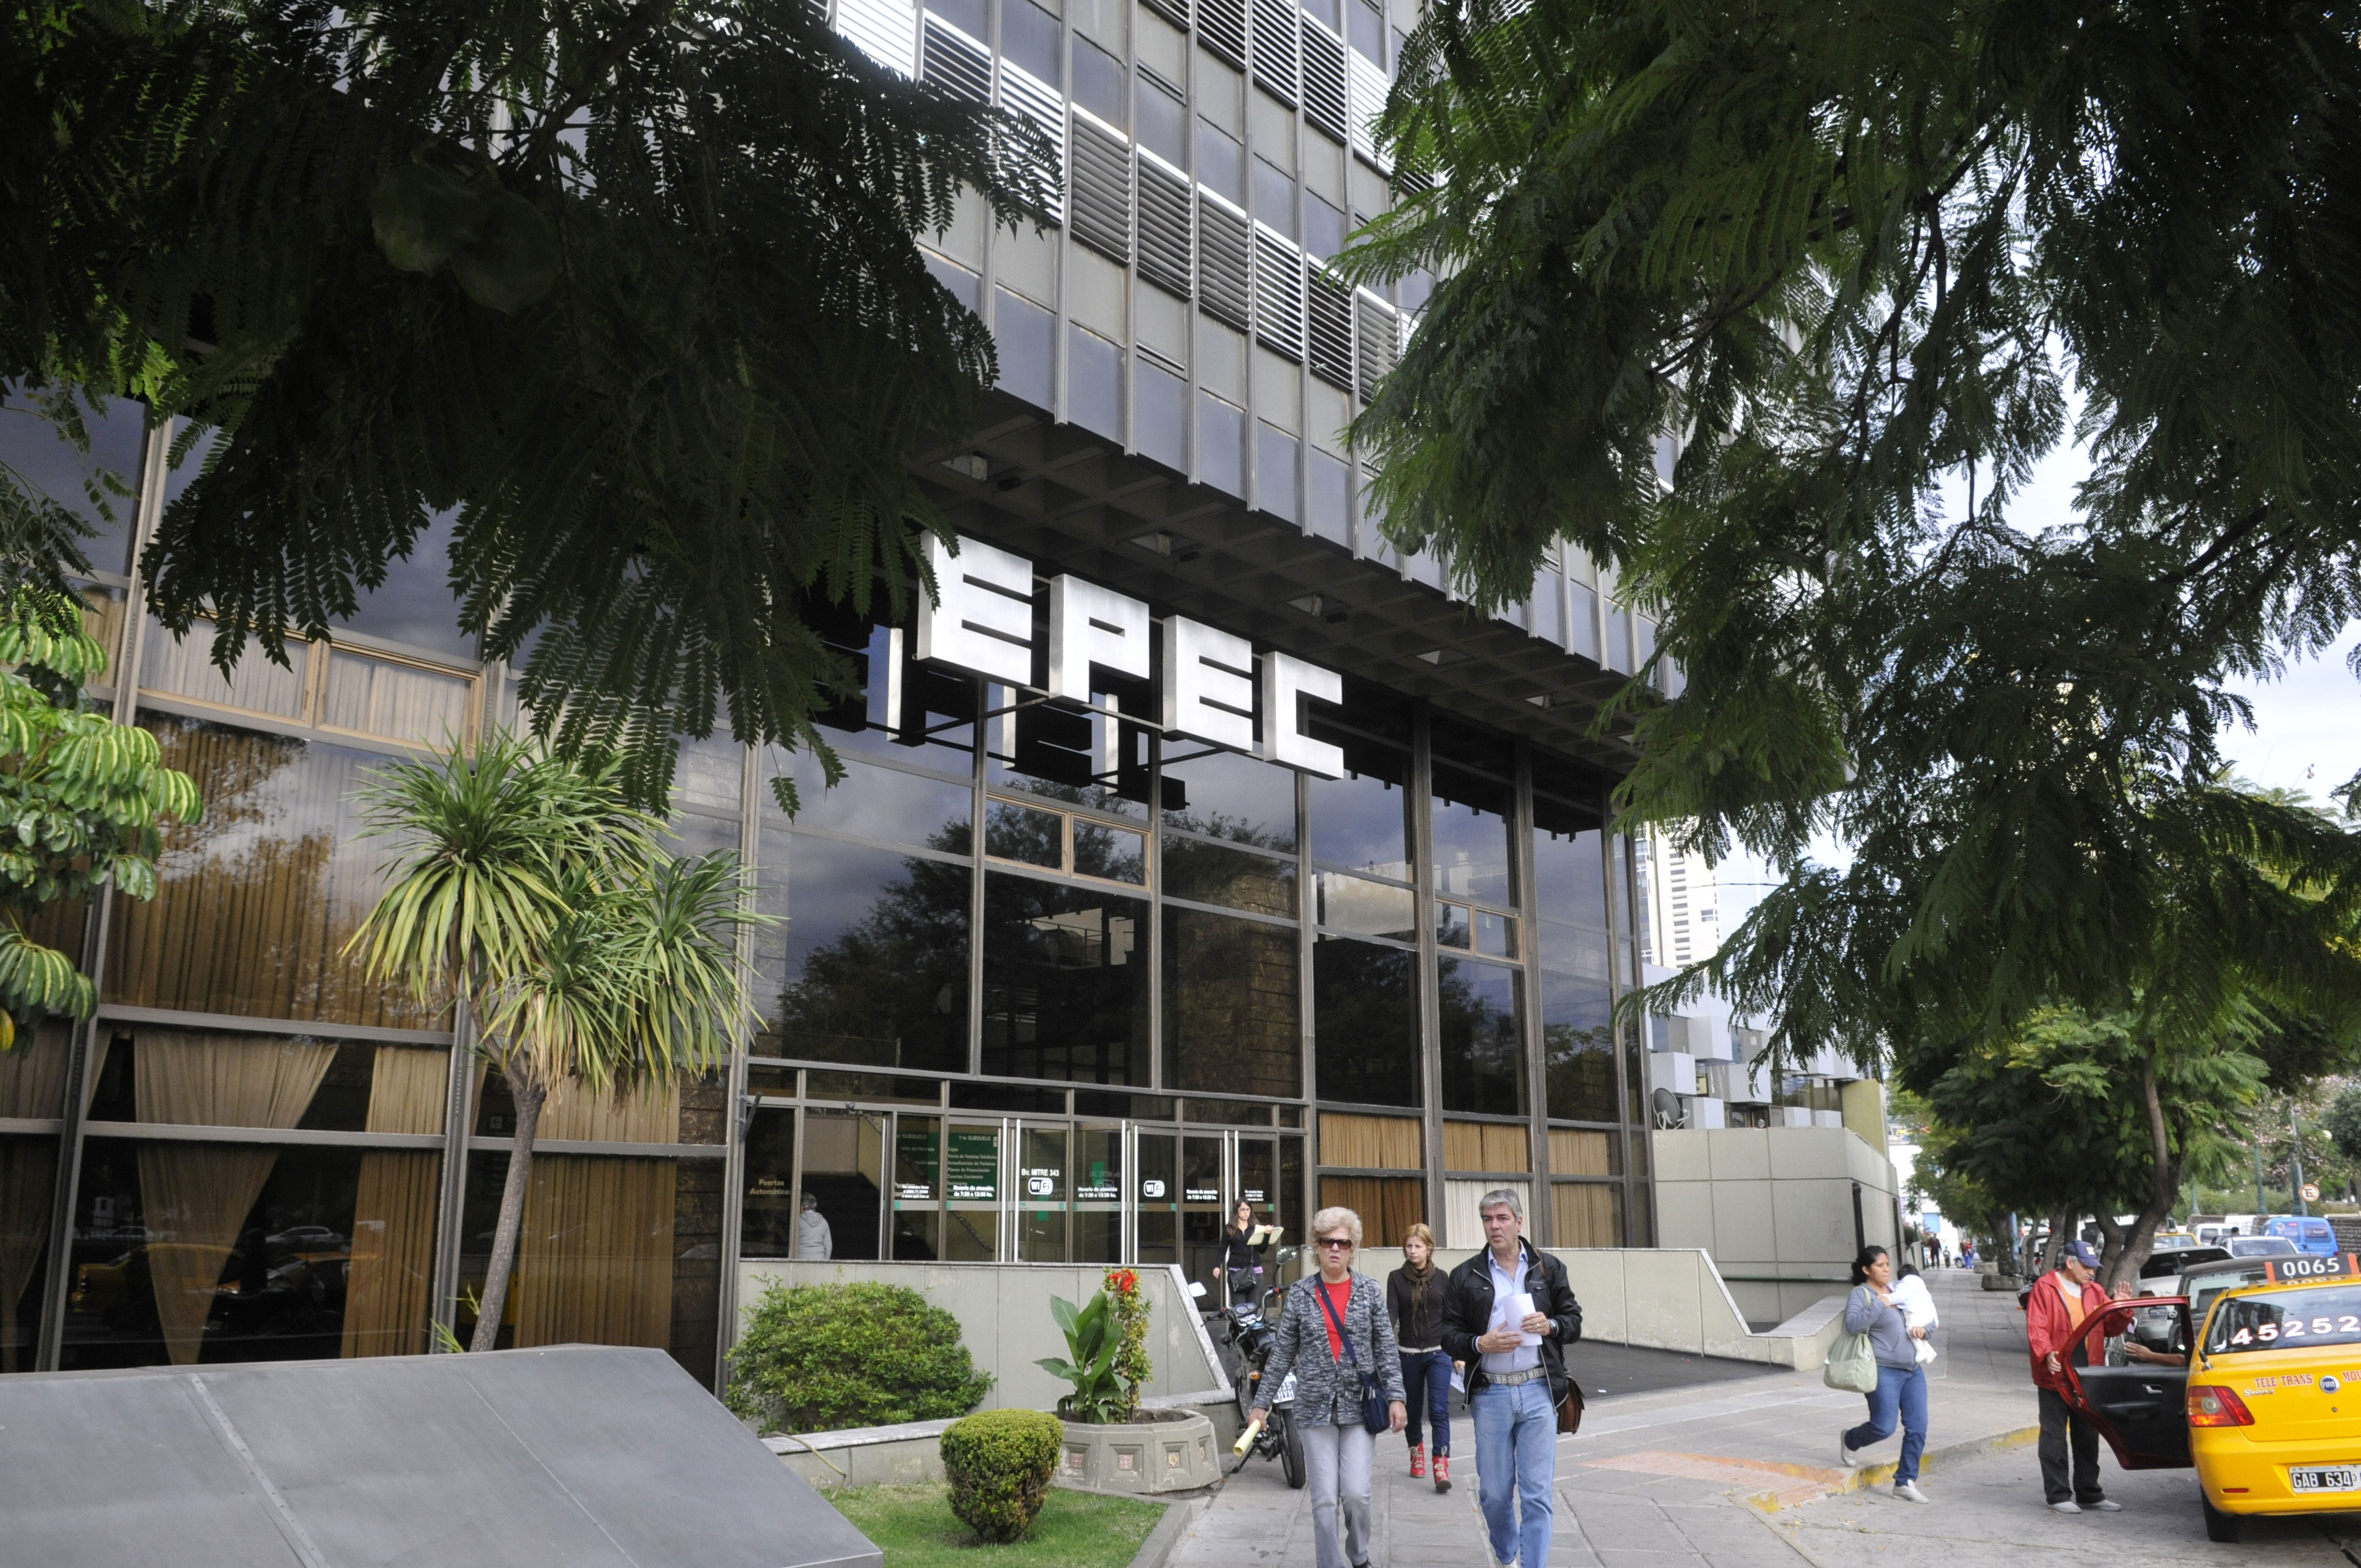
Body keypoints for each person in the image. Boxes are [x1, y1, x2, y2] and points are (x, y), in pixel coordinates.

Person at [1241, 1206, 1406, 1568]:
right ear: (1316, 1246)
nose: (1335, 1249)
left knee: (1357, 1494)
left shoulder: (1369, 1291)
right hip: (1314, 1410)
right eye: (1327, 1241)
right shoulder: (1302, 1294)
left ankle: (1359, 1556)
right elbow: (1282, 1353)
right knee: (1325, 1500)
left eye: (1343, 1243)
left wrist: (1397, 1397)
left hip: (1359, 1407)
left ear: (1352, 1248)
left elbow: (1385, 1348)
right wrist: (1261, 1404)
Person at [1441, 1189, 1582, 1568]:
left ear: (1519, 1222)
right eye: (1488, 1219)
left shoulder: (1548, 1268)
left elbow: (1573, 1321)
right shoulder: (1465, 1275)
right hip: (1492, 1393)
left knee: (1537, 1495)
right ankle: (1507, 1554)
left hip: (1538, 1389)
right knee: (1494, 1493)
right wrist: (1480, 1343)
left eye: (1502, 1218)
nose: (1495, 1226)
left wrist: (1551, 1326)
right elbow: (1448, 1335)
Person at [2025, 1240, 2125, 1513]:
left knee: (2088, 1434)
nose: (2092, 1272)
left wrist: (2122, 1309)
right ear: (2070, 1263)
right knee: (2054, 1435)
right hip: (2056, 1373)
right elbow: (2037, 1326)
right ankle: (2058, 1495)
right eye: (2087, 1267)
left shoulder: (2095, 1291)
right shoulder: (2045, 1287)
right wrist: (2046, 1353)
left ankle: (2089, 1492)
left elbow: (2111, 1328)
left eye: (2094, 1267)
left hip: (2087, 1371)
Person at [1837, 1244, 1932, 1503]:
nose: (1887, 1270)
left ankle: (1905, 1482)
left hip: (1913, 1369)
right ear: (1867, 1270)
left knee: (1918, 1427)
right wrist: (1881, 1304)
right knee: (1883, 1427)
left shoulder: (1899, 1290)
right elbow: (1853, 1325)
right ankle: (1851, 1439)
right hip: (1884, 1369)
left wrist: (1926, 1331)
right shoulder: (1861, 1294)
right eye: (1880, 1266)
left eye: (1888, 1264)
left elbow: (1925, 1314)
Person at [1387, 1222, 1454, 1492]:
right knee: (1413, 1411)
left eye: (1418, 1246)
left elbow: (1450, 1317)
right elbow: (1391, 1314)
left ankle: (1441, 1463)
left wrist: (1458, 1352)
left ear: (1429, 1249)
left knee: (1439, 1409)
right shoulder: (1396, 1278)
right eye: (1409, 1246)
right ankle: (1416, 1452)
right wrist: (1381, 1342)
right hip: (1409, 1354)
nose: (1413, 1251)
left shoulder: (1443, 1278)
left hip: (1439, 1352)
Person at [1221, 1199, 1266, 1308]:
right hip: (1236, 1272)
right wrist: (1217, 1266)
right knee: (1239, 1308)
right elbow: (1222, 1248)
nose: (1246, 1212)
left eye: (1248, 1210)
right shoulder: (1230, 1228)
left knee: (1252, 1307)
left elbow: (1262, 1250)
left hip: (1255, 1272)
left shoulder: (1256, 1228)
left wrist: (1267, 1235)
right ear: (1237, 1211)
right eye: (1242, 1210)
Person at [796, 1191, 831, 1260]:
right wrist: (825, 1262)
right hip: (819, 1259)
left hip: (801, 1259)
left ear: (802, 1207)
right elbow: (828, 1247)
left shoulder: (797, 1221)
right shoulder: (824, 1222)